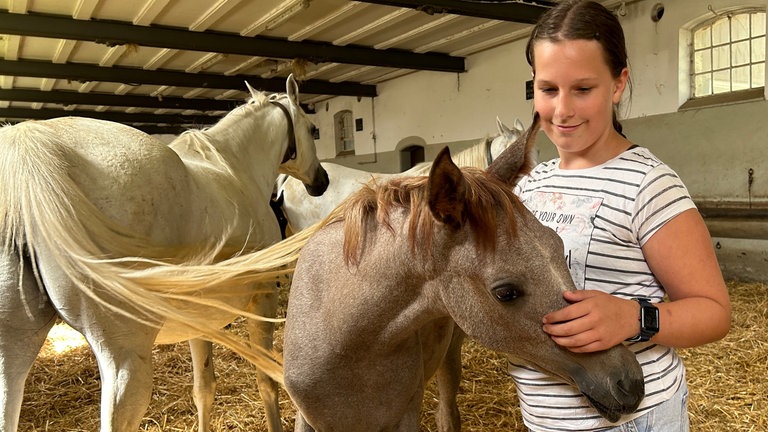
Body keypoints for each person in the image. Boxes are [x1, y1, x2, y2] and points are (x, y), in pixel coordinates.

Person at [511, 1, 732, 431]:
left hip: (635, 418)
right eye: (548, 89)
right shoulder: (529, 186)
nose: (562, 110)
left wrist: (635, 318)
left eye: (583, 89)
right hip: (543, 420)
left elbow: (714, 313)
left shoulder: (649, 184)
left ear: (618, 84)